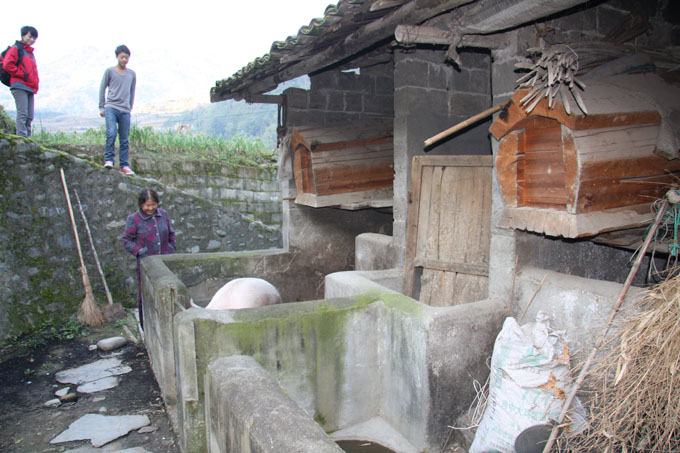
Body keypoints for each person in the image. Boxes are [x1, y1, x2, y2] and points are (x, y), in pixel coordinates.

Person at [122, 189, 176, 328]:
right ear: (141, 205)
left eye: (153, 204)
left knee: (167, 291)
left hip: (164, 261)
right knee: (146, 295)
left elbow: (171, 233)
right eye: (147, 205)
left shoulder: (163, 214)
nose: (150, 208)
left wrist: (171, 248)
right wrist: (140, 251)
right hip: (146, 264)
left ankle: (166, 323)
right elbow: (126, 240)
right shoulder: (134, 219)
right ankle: (145, 326)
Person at [99, 44, 136, 175]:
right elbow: (102, 88)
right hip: (111, 107)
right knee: (112, 132)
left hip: (125, 110)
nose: (124, 60)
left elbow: (132, 92)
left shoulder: (131, 74)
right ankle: (109, 159)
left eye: (126, 57)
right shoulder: (109, 72)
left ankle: (124, 165)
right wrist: (101, 106)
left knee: (124, 138)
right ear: (117, 57)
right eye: (122, 57)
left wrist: (130, 107)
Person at [3, 26, 39, 137]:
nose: (32, 40)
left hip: (30, 86)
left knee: (29, 116)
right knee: (23, 114)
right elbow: (7, 64)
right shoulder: (16, 49)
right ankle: (21, 139)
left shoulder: (30, 53)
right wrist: (22, 74)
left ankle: (27, 139)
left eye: (34, 38)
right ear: (23, 35)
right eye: (30, 36)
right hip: (19, 85)